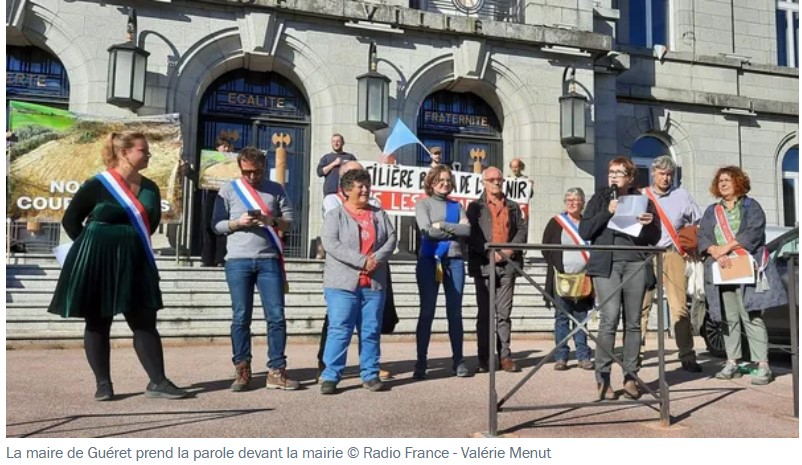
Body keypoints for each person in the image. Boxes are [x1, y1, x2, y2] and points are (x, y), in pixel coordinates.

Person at [48, 131, 188, 401]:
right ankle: (103, 384)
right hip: (98, 259)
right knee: (98, 320)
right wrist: (92, 247)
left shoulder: (150, 188)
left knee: (144, 320)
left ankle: (158, 381)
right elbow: (71, 220)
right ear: (124, 153)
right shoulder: (98, 184)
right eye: (143, 150)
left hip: (135, 259)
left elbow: (152, 223)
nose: (148, 155)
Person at [212, 147, 298, 392]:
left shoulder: (276, 189)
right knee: (241, 317)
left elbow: (290, 221)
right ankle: (242, 370)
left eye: (257, 172)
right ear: (240, 168)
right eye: (247, 172)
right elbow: (215, 225)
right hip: (237, 261)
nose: (252, 177)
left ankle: (276, 370)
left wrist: (270, 221)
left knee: (277, 316)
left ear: (264, 167)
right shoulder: (228, 189)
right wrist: (237, 223)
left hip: (269, 259)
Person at [579, 156, 660, 400]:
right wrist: (607, 212)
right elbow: (585, 231)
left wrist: (648, 224)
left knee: (633, 322)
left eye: (620, 172)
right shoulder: (599, 198)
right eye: (611, 172)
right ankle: (602, 377)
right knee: (609, 318)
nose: (614, 176)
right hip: (607, 265)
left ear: (631, 177)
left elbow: (655, 237)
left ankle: (631, 376)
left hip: (635, 263)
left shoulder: (642, 200)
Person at [698, 166, 787, 385]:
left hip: (746, 267)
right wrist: (714, 252)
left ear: (738, 182)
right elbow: (703, 236)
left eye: (727, 180)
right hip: (722, 268)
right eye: (720, 181)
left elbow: (754, 232)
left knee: (751, 315)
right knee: (728, 318)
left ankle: (762, 364)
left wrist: (725, 248)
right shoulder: (712, 210)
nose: (723, 184)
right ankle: (732, 362)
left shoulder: (751, 206)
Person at [319, 168, 397, 394]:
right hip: (342, 284)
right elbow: (331, 243)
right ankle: (331, 376)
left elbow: (391, 239)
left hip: (373, 284)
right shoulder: (336, 215)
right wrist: (363, 261)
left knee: (371, 330)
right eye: (359, 186)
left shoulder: (379, 214)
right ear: (346, 190)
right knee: (339, 329)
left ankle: (370, 374)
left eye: (367, 185)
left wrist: (376, 260)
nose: (365, 190)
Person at [639, 155, 703, 372]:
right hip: (647, 255)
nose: (666, 178)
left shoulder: (682, 195)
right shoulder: (641, 195)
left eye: (669, 175)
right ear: (653, 173)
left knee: (679, 308)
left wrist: (689, 244)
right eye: (662, 174)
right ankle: (635, 354)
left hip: (673, 254)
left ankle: (687, 355)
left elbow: (698, 221)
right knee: (642, 306)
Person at [414, 165, 472, 379]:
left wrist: (442, 225)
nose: (445, 183)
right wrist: (453, 228)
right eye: (441, 179)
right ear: (431, 182)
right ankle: (421, 361)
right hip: (429, 261)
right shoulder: (423, 204)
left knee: (455, 313)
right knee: (427, 312)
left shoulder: (457, 206)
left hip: (455, 262)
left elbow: (467, 230)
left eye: (448, 180)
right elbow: (427, 231)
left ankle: (459, 360)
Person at [467, 166, 527, 373]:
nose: (496, 182)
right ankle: (484, 359)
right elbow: (471, 234)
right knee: (485, 314)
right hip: (484, 265)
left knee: (504, 314)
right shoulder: (475, 207)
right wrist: (489, 252)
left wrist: (510, 250)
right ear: (483, 182)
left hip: (508, 266)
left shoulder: (512, 206)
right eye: (491, 179)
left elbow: (522, 230)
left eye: (499, 179)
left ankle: (505, 357)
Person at [541, 188, 593, 371]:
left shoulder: (588, 223)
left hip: (583, 278)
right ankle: (561, 356)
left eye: (576, 199)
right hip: (561, 277)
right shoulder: (556, 223)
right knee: (562, 317)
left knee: (581, 317)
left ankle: (583, 356)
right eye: (569, 199)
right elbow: (545, 247)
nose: (572, 202)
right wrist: (559, 266)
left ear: (582, 203)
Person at [201, 137, 233, 267]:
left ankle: (220, 258)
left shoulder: (232, 163)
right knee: (208, 226)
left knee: (222, 228)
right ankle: (207, 259)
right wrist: (186, 170)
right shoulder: (210, 161)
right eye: (223, 146)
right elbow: (201, 177)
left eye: (227, 147)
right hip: (212, 196)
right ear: (217, 148)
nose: (225, 149)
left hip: (226, 197)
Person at [317, 133, 357, 198]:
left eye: (338, 141)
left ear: (343, 143)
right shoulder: (326, 157)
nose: (336, 143)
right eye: (333, 141)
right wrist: (334, 163)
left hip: (346, 192)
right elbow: (320, 172)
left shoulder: (350, 157)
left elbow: (357, 172)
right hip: (330, 192)